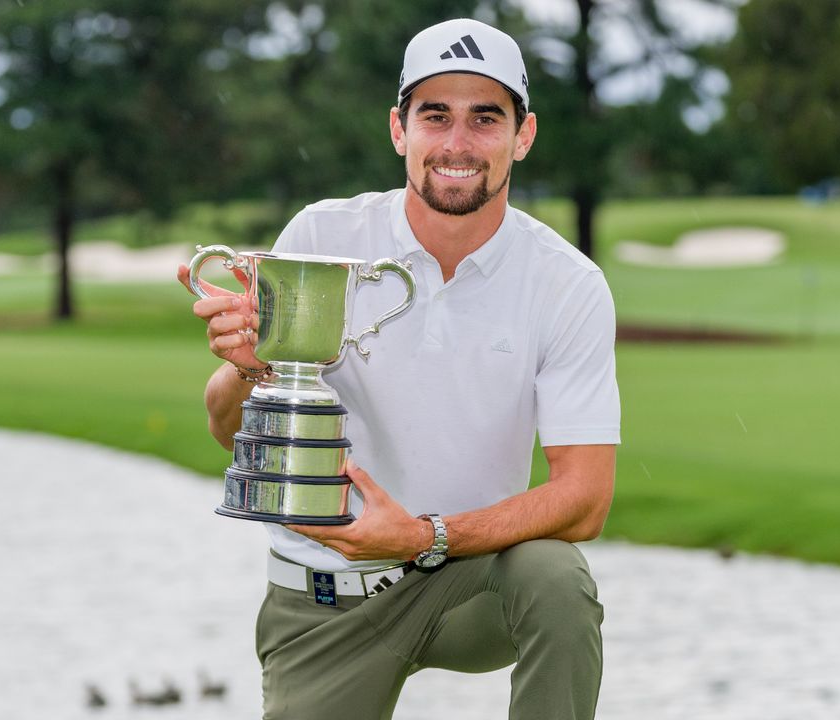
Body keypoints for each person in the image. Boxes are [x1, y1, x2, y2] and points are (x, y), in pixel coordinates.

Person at [178, 17, 620, 720]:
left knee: (554, 576)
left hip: (468, 585)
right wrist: (246, 371)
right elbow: (228, 432)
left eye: (485, 119)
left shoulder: (566, 282)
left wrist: (423, 537)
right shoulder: (321, 237)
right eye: (435, 116)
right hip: (325, 599)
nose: (456, 144)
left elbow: (586, 498)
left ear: (523, 135)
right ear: (398, 129)